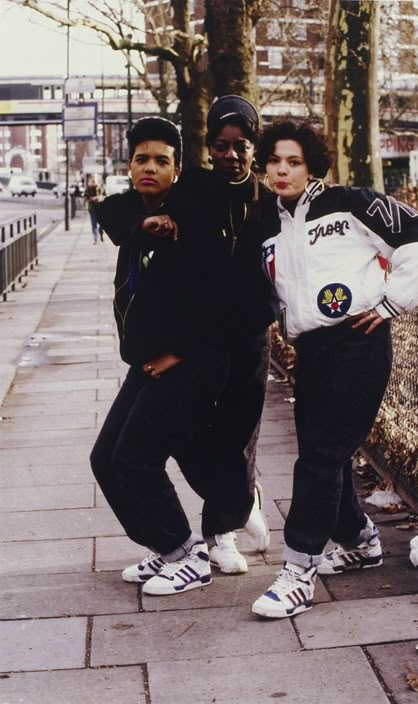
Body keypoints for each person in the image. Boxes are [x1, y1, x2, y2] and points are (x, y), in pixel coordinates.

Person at [251, 119, 418, 619]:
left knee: (321, 455)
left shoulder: (349, 203)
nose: (282, 170)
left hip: (360, 343)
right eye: (274, 161)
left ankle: (297, 571)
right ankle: (361, 541)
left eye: (293, 161)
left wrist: (394, 303)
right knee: (322, 454)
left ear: (310, 164)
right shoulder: (269, 220)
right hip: (311, 350)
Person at [122, 96, 277, 579]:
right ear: (208, 146)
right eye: (220, 145)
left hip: (248, 341)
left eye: (241, 146)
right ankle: (238, 500)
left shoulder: (269, 203)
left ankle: (220, 533)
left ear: (254, 147)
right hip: (201, 341)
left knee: (235, 438)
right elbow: (129, 209)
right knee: (187, 435)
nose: (230, 155)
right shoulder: (192, 190)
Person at [90, 117, 231, 596]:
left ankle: (187, 554)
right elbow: (110, 211)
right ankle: (163, 547)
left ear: (177, 169)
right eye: (141, 159)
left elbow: (219, 301)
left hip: (193, 360)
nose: (150, 167)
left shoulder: (192, 215)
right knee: (104, 459)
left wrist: (178, 352)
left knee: (135, 458)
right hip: (149, 360)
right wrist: (141, 224)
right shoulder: (133, 211)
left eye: (162, 161)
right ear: (129, 165)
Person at [84, 176, 105, 243]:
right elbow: (86, 197)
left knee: (101, 223)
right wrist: (92, 198)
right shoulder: (89, 189)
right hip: (92, 208)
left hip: (100, 208)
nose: (93, 182)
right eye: (92, 181)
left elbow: (104, 195)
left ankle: (101, 234)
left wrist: (99, 197)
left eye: (94, 181)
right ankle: (95, 237)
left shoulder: (100, 188)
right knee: (93, 223)